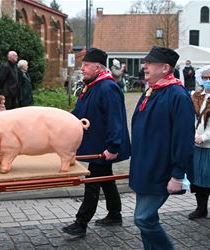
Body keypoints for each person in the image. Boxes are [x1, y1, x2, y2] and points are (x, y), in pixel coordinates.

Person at [129, 46, 194, 250]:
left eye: (149, 63)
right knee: (148, 218)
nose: (144, 66)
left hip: (161, 170)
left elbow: (184, 138)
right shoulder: (152, 90)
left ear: (165, 68)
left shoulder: (177, 95)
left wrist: (177, 175)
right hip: (144, 168)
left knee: (143, 218)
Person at [62, 48, 130, 237]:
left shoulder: (108, 87)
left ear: (98, 68)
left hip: (104, 147)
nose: (82, 68)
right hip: (97, 144)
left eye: (86, 65)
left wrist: (113, 146)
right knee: (106, 180)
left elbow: (115, 119)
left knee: (92, 182)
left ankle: (81, 222)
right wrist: (61, 119)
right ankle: (115, 214)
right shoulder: (91, 85)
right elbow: (79, 112)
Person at [187, 65, 210, 220]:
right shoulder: (196, 96)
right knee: (198, 180)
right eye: (205, 77)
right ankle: (201, 209)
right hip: (197, 146)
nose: (208, 80)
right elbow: (191, 119)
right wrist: (193, 135)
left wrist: (205, 137)